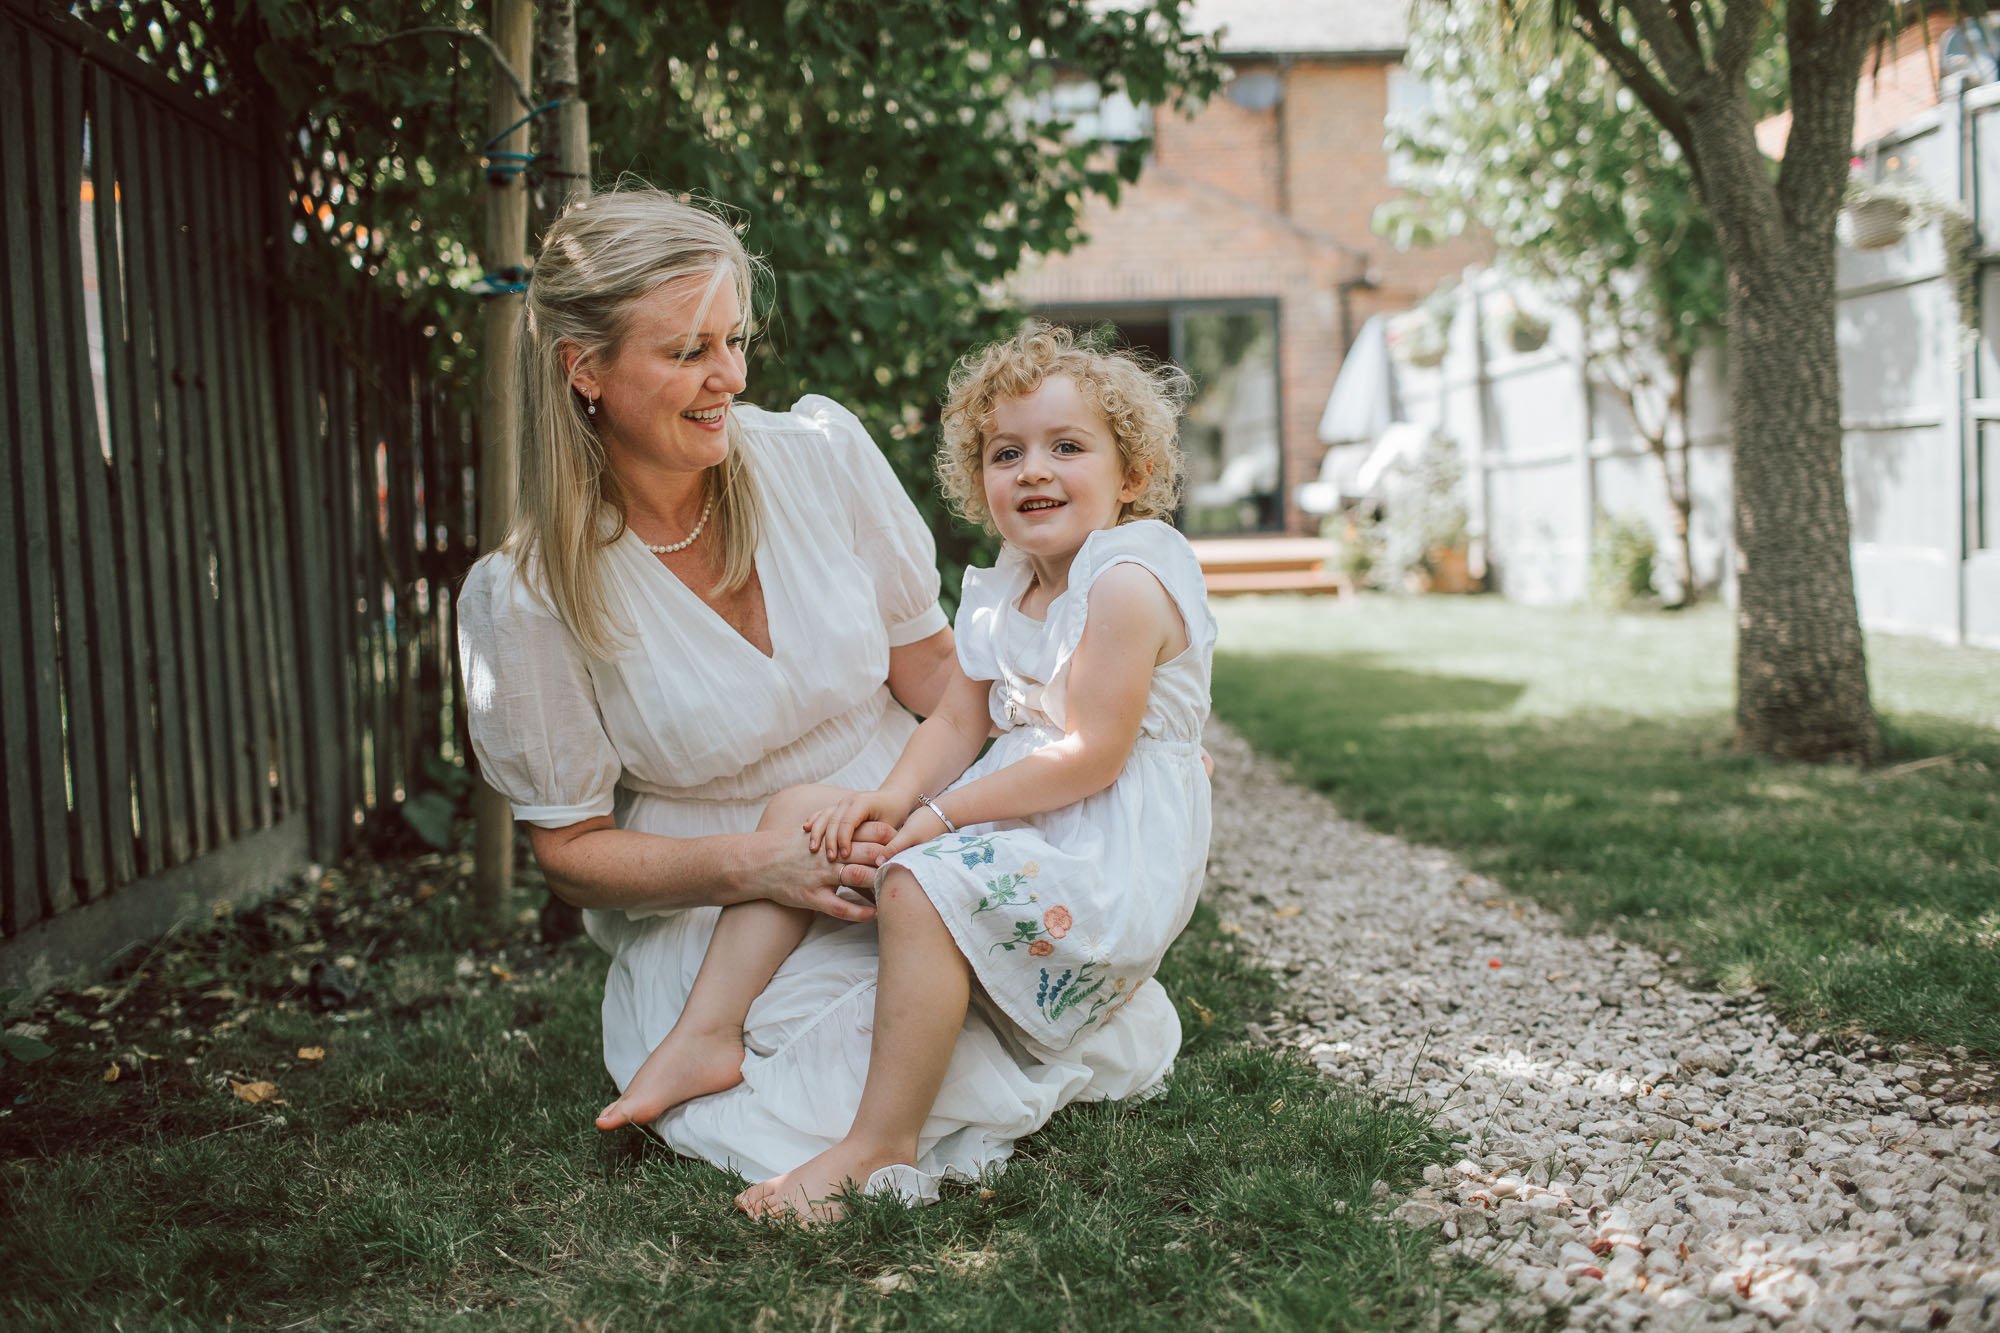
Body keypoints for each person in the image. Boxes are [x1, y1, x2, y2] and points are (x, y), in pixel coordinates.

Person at [457, 191, 1184, 1206]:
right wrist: (758, 864)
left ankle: (886, 1096)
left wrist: (1044, 760)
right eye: (686, 352)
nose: (730, 377)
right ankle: (721, 1041)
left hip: (895, 815)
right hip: (716, 893)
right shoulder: (527, 593)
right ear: (586, 368)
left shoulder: (815, 455)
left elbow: (942, 679)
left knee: (967, 1006)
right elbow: (570, 855)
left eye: (734, 339)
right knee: (827, 1073)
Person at [597, 321, 1217, 1222]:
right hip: (1039, 809)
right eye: (1007, 453)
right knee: (810, 807)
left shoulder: (1126, 579)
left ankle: (877, 1145)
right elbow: (963, 713)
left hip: (1106, 846)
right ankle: (707, 1033)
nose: (1034, 470)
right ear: (980, 481)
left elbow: (1089, 756)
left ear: (1130, 475)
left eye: (1067, 447)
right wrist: (889, 797)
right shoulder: (1011, 582)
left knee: (921, 885)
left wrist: (942, 817)